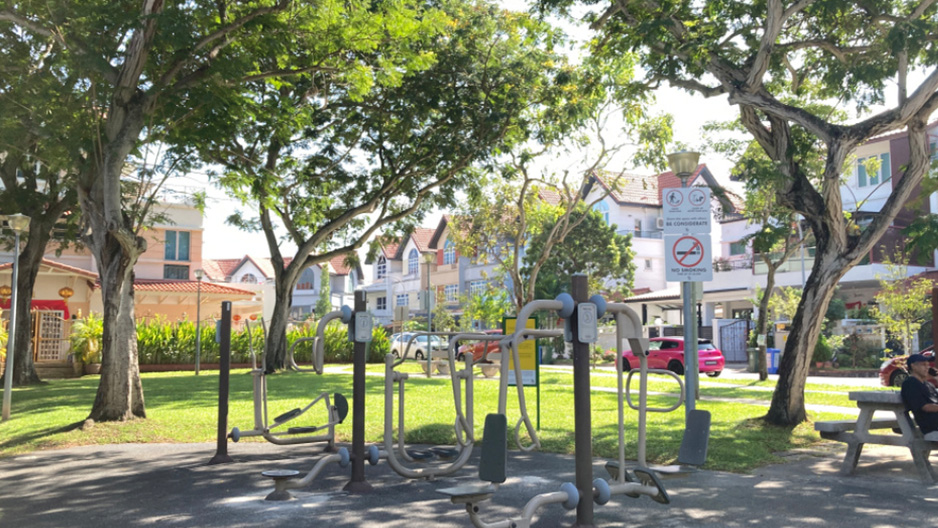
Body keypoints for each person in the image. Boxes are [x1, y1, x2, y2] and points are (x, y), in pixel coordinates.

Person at [900, 354, 938, 435]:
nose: (927, 367)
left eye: (928, 365)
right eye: (923, 364)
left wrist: (936, 378)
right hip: (931, 426)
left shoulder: (928, 385)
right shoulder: (910, 384)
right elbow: (925, 407)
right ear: (913, 366)